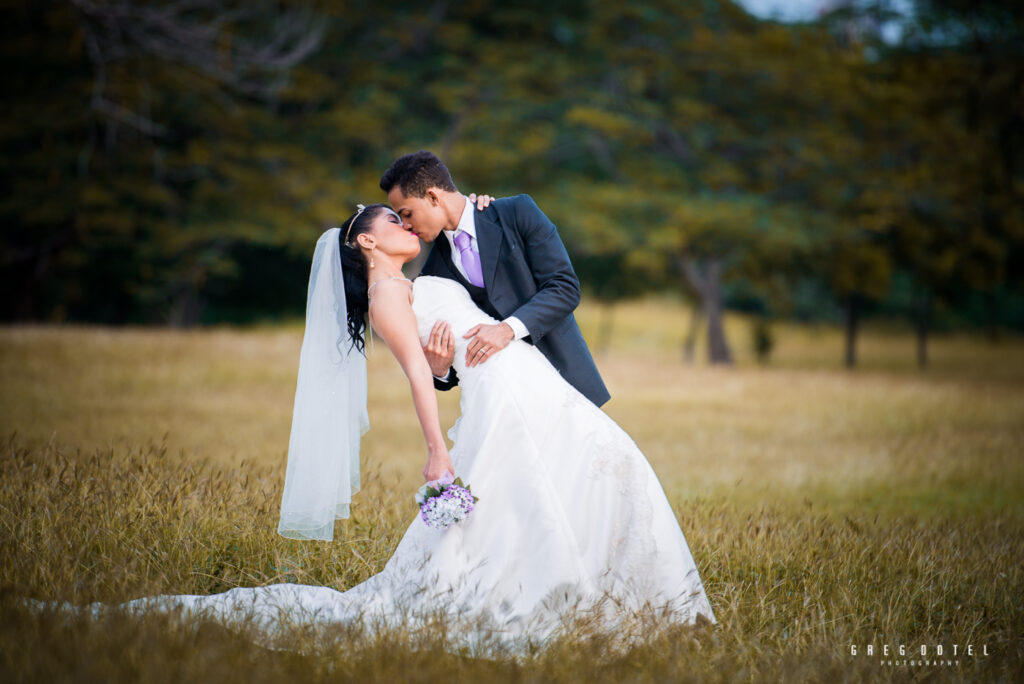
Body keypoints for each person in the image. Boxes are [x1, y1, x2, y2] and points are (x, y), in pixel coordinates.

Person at [41, 200, 716, 654]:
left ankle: (627, 600)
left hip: (528, 391)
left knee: (595, 473)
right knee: (526, 512)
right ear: (366, 240)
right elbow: (422, 378)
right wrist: (435, 454)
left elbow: (459, 324)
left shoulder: (423, 274)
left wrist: (469, 215)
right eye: (392, 219)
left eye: (405, 212)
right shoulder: (393, 294)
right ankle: (570, 605)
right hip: (499, 409)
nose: (404, 224)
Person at [380, 150, 610, 409]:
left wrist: (506, 329)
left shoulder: (516, 212)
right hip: (505, 404)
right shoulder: (432, 274)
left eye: (407, 213)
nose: (406, 225)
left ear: (433, 196)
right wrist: (439, 370)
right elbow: (454, 365)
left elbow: (564, 288)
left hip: (567, 384)